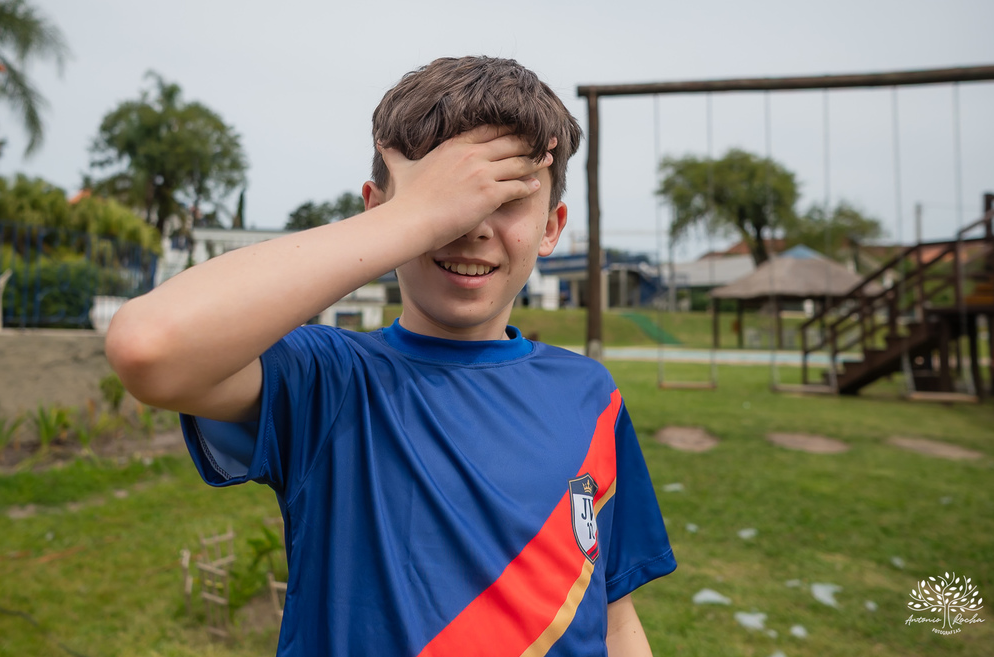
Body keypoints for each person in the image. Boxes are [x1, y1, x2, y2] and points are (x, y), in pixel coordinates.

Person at [106, 56, 676, 656]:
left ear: (552, 227)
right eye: (450, 198)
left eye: (506, 197)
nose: (472, 225)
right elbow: (151, 346)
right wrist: (414, 217)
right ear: (384, 212)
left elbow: (615, 617)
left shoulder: (591, 396)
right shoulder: (328, 380)